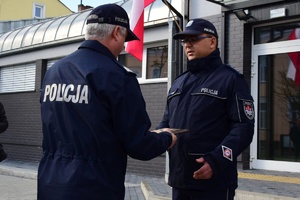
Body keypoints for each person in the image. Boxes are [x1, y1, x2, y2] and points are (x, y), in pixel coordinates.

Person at [38, 4, 176, 200]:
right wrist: (167, 138)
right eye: (125, 39)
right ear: (117, 32)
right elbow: (138, 145)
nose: (124, 47)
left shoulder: (54, 71)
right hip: (94, 187)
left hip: (50, 185)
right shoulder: (117, 76)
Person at [157, 18, 255, 200]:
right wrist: (156, 139)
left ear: (212, 41)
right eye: (185, 41)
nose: (187, 45)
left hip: (214, 181)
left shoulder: (231, 79)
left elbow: (243, 127)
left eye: (193, 39)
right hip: (180, 180)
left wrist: (216, 160)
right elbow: (167, 122)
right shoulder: (179, 82)